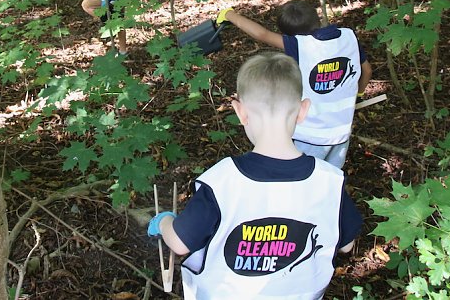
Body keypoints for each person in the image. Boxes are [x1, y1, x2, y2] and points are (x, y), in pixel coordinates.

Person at [147, 52, 362, 299]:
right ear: (303, 111)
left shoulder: (221, 182)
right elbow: (346, 245)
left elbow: (179, 243)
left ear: (240, 112)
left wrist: (163, 222)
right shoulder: (330, 181)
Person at [216, 1, 372, 168]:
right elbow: (367, 70)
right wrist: (360, 94)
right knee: (328, 177)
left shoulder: (300, 45)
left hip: (309, 136)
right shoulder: (348, 36)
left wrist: (229, 15)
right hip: (342, 133)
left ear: (289, 35)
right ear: (317, 18)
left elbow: (262, 34)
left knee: (302, 178)